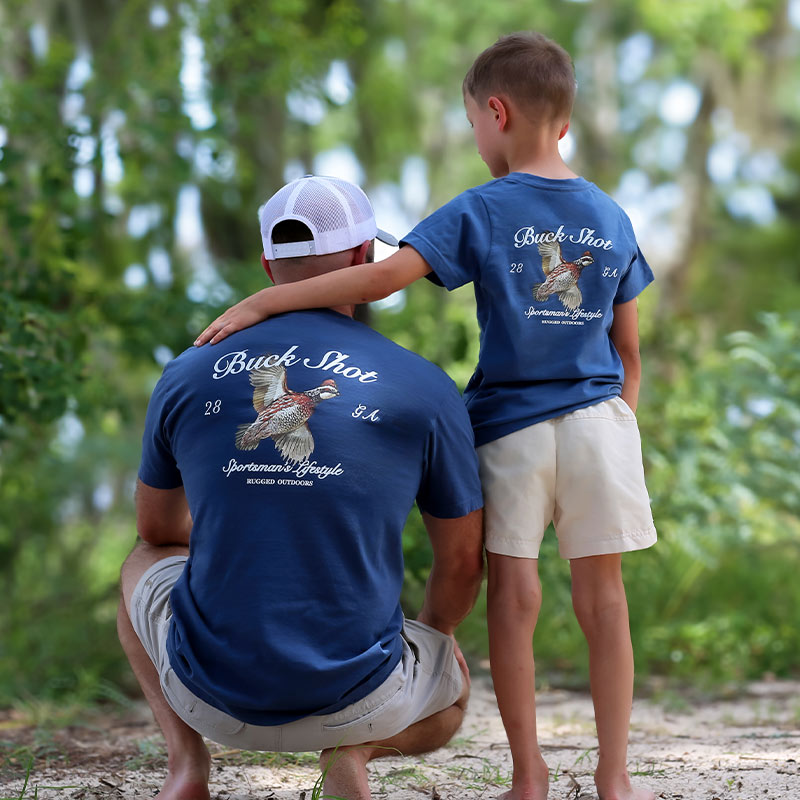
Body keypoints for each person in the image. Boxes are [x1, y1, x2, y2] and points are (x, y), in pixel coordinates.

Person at [193, 32, 657, 800]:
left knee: (515, 598)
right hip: (601, 425)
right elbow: (629, 351)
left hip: (512, 427)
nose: (476, 138)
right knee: (605, 601)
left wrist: (265, 301)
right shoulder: (611, 217)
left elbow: (381, 281)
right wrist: (618, 431)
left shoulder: (484, 206)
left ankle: (529, 777)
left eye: (473, 123)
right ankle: (615, 778)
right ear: (567, 122)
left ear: (497, 113)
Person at [119, 174, 485, 800]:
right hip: (364, 699)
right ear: (364, 257)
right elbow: (461, 563)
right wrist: (434, 633)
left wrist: (244, 518)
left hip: (210, 697)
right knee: (452, 694)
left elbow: (156, 529)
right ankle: (352, 749)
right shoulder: (424, 385)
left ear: (268, 266)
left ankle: (186, 766)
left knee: (142, 559)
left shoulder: (187, 370)